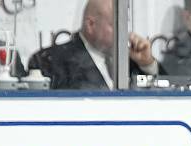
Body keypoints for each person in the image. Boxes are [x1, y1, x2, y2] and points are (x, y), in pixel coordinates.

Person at [28, 0, 160, 90]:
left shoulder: (129, 62)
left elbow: (166, 94)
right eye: (116, 25)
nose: (125, 33)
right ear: (90, 25)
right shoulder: (49, 61)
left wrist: (147, 64)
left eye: (125, 25)